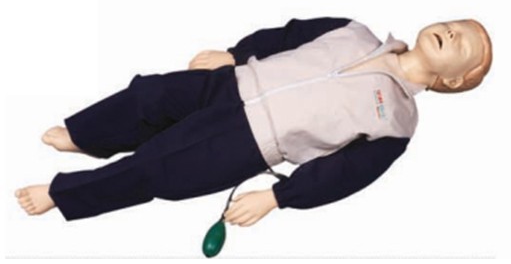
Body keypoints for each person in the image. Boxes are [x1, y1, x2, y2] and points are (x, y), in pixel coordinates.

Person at [15, 17, 492, 228]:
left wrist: (278, 197)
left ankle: (63, 194)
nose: (451, 32)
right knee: (149, 95)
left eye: (463, 42)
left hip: (248, 140)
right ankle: (88, 136)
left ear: (454, 81)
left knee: (159, 166)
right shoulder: (356, 30)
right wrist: (235, 54)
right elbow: (289, 35)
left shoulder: (398, 123)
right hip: (233, 83)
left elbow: (343, 175)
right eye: (453, 24)